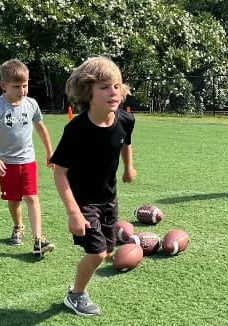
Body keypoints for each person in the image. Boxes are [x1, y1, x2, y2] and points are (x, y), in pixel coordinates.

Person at [51, 56, 136, 317]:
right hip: (83, 201)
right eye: (105, 87)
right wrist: (73, 212)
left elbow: (125, 142)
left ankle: (79, 287)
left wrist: (128, 168)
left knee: (108, 250)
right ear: (87, 92)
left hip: (108, 198)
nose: (114, 91)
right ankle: (76, 295)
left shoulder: (125, 119)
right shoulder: (76, 130)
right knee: (98, 253)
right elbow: (60, 172)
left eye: (117, 85)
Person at [0, 59, 55, 256]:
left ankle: (38, 240)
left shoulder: (31, 104)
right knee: (14, 200)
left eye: (25, 85)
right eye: (16, 86)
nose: (22, 90)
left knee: (31, 197)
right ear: (3, 85)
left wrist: (49, 151)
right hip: (6, 164)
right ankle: (18, 226)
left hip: (28, 161)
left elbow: (40, 128)